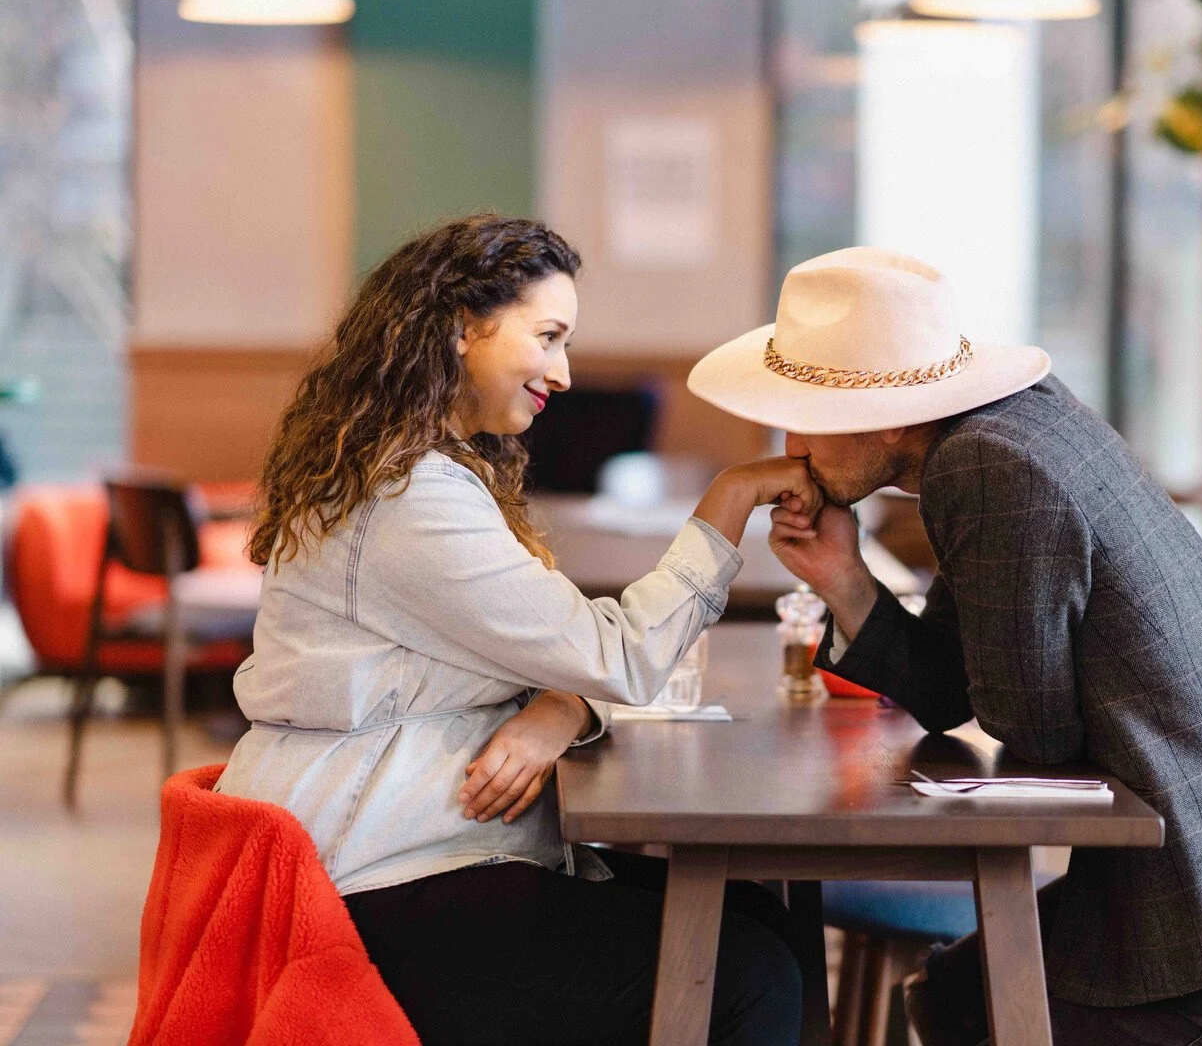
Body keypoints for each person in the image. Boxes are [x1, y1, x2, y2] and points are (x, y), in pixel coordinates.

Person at [687, 246, 1202, 1045]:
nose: (791, 446)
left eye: (806, 415)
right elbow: (953, 693)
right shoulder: (1008, 424)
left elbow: (1034, 733)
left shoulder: (987, 467)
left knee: (973, 1012)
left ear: (890, 411)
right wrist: (845, 577)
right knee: (949, 994)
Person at [217, 214, 819, 1046]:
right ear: (464, 326)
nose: (564, 373)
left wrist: (560, 710)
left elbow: (561, 657)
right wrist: (730, 498)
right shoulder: (410, 495)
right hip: (373, 885)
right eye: (549, 337)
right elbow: (613, 654)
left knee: (761, 919)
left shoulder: (410, 468)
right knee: (747, 973)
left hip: (408, 848)